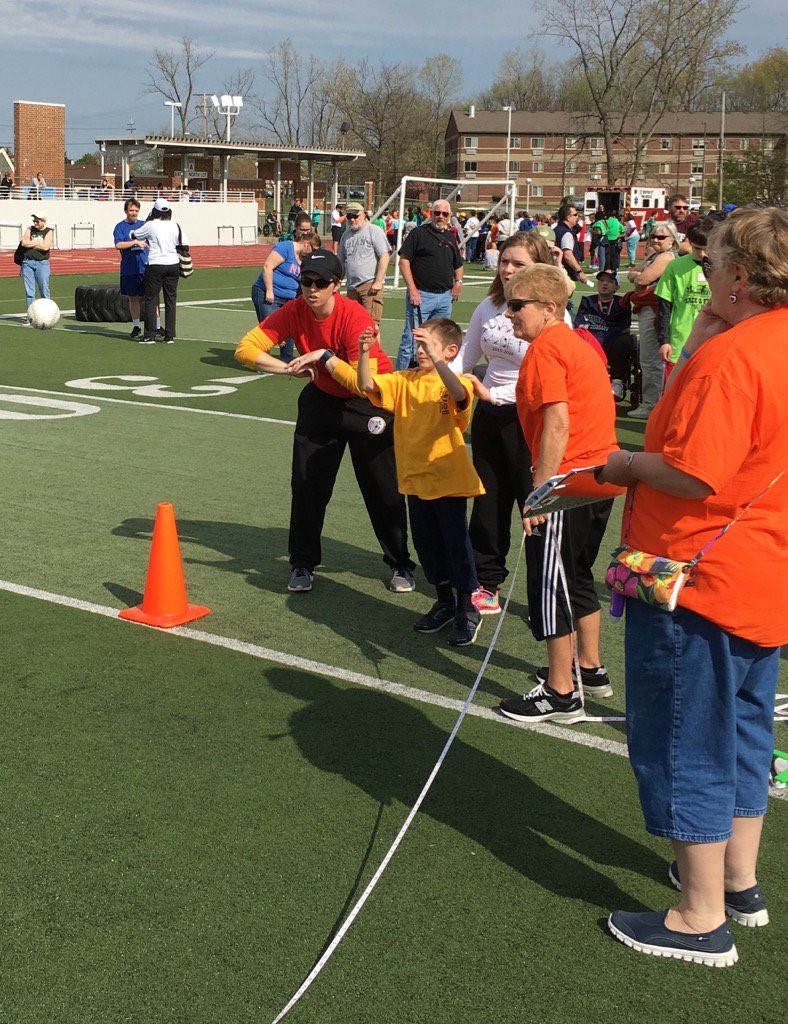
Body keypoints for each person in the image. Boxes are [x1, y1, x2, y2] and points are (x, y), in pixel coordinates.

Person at [597, 206, 788, 966]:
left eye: (710, 264)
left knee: (683, 740)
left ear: (740, 277)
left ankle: (698, 914)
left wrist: (624, 464)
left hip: (698, 575)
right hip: (762, 570)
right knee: (743, 728)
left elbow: (693, 470)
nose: (699, 274)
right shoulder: (758, 341)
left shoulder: (735, 358)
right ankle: (737, 880)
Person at [290, 317, 485, 646]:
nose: (421, 351)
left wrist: (438, 361)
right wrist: (365, 353)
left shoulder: (458, 382)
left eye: (429, 347)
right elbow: (366, 385)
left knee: (455, 544)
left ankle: (468, 607)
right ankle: (445, 602)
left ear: (451, 351)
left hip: (447, 480)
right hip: (414, 480)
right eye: (419, 346)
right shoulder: (405, 379)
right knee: (427, 547)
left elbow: (457, 394)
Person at [234, 250, 415, 594]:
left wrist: (322, 357)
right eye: (306, 281)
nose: (311, 289)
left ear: (337, 285)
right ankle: (302, 563)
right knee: (307, 486)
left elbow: (362, 384)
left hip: (369, 403)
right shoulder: (295, 310)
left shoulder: (355, 317)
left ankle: (400, 563)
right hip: (321, 400)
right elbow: (246, 348)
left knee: (382, 487)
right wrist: (285, 368)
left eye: (321, 283)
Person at [497, 264, 624, 723]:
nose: (509, 314)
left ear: (548, 308)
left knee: (551, 584)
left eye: (516, 305)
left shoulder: (548, 348)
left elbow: (557, 421)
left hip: (569, 481)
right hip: (598, 475)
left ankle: (561, 691)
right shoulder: (576, 343)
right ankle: (589, 668)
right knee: (577, 574)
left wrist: (540, 492)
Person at [452, 231, 569, 617]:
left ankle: (542, 595)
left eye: (518, 263)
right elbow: (465, 362)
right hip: (489, 418)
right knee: (488, 503)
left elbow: (551, 381)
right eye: (504, 261)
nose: (507, 269)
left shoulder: (553, 314)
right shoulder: (488, 306)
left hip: (531, 422)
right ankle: (487, 581)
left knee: (534, 508)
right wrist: (430, 379)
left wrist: (496, 395)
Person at [395, 200, 464, 370]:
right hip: (421, 296)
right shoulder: (418, 234)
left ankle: (432, 376)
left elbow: (458, 264)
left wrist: (459, 283)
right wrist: (412, 290)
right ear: (431, 213)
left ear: (449, 216)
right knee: (411, 342)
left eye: (444, 214)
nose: (440, 217)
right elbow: (404, 262)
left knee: (439, 341)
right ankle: (400, 379)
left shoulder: (449, 236)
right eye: (437, 213)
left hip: (444, 297)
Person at [626, 220, 679, 419]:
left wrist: (638, 276)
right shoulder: (654, 255)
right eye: (653, 236)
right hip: (647, 308)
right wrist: (637, 275)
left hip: (654, 309)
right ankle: (651, 402)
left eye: (661, 237)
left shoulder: (666, 257)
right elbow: (634, 273)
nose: (656, 240)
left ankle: (651, 404)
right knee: (648, 358)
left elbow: (642, 279)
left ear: (672, 240)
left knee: (650, 360)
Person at [251, 213, 320, 361]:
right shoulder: (285, 247)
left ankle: (287, 359)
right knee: (270, 328)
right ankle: (262, 361)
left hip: (290, 298)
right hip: (269, 293)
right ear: (306, 244)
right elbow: (268, 266)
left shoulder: (306, 257)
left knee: (290, 328)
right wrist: (269, 290)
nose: (313, 254)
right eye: (313, 250)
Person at [654, 220, 711, 386]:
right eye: (697, 248)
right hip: (679, 343)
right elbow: (664, 308)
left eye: (706, 249)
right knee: (673, 393)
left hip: (711, 343)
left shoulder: (722, 267)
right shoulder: (675, 267)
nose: (702, 254)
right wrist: (664, 341)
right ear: (690, 243)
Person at [129, 198, 188, 344]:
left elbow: (134, 235)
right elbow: (185, 244)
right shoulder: (175, 225)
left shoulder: (151, 225)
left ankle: (150, 335)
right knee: (171, 300)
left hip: (155, 264)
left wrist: (148, 220)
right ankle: (169, 335)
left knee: (151, 300)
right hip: (173, 264)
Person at [575, 270, 634, 401]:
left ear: (617, 287)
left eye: (610, 281)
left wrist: (605, 332)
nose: (605, 284)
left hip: (613, 342)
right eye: (602, 281)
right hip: (592, 340)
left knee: (624, 340)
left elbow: (625, 327)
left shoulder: (622, 303)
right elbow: (579, 323)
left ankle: (617, 382)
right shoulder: (588, 302)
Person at [336, 201, 390, 325]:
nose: (353, 219)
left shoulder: (374, 231)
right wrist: (337, 282)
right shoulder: (346, 235)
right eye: (349, 216)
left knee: (371, 326)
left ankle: (375, 346)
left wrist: (378, 282)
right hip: (351, 287)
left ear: (364, 215)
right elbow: (340, 262)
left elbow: (384, 256)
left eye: (356, 216)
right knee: (353, 325)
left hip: (369, 285)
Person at [113, 199, 155, 340]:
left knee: (151, 298)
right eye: (131, 210)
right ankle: (136, 326)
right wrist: (135, 242)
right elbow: (118, 244)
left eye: (136, 210)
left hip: (145, 267)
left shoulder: (144, 225)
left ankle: (157, 325)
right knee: (133, 299)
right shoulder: (120, 226)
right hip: (129, 269)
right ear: (126, 211)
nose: (134, 213)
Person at [19, 212, 53, 320]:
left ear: (43, 221)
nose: (35, 222)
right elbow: (24, 243)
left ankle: (47, 314)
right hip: (27, 263)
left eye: (37, 220)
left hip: (42, 263)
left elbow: (45, 247)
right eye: (34, 220)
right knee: (30, 292)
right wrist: (38, 242)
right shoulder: (30, 229)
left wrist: (32, 243)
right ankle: (30, 315)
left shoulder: (48, 231)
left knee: (44, 289)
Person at [553, 202, 591, 291]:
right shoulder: (566, 233)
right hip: (565, 273)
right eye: (575, 215)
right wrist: (579, 271)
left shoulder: (556, 230)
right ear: (568, 217)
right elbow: (568, 255)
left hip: (555, 271)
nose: (577, 217)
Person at [603, 209, 625, 275]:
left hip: (607, 239)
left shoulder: (605, 222)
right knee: (614, 254)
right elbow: (623, 230)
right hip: (615, 239)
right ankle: (614, 267)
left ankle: (607, 267)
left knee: (607, 254)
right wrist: (618, 235)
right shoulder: (617, 221)